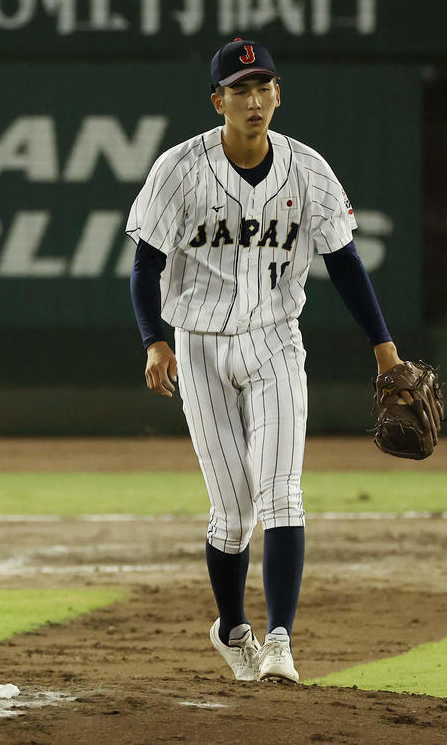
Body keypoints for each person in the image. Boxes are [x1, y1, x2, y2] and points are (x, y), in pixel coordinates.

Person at [125, 39, 408, 684]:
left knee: (282, 493)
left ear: (278, 94)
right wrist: (154, 339)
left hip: (278, 341)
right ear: (218, 100)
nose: (254, 100)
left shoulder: (309, 171)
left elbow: (345, 263)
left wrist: (384, 347)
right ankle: (232, 628)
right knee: (232, 511)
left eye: (265, 87)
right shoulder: (180, 169)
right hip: (198, 346)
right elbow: (145, 266)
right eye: (240, 89)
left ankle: (280, 638)